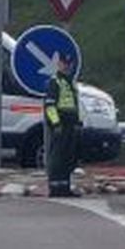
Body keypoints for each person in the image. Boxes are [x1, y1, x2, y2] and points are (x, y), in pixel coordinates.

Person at [44, 53, 81, 197]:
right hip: (60, 125)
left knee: (68, 158)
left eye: (69, 64)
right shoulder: (55, 82)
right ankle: (55, 188)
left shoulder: (70, 82)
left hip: (71, 125)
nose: (67, 66)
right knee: (57, 157)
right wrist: (56, 123)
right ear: (59, 64)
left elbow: (73, 105)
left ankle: (65, 187)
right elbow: (50, 106)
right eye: (64, 63)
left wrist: (78, 122)